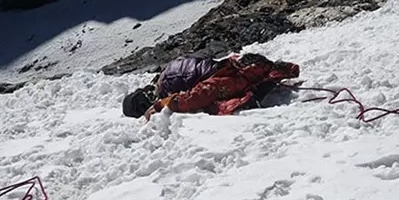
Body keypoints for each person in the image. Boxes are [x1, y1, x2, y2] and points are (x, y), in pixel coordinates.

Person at [121, 53, 300, 120]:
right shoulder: (230, 72)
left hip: (190, 76)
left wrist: (165, 104)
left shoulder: (229, 78)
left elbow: (198, 96)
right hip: (188, 73)